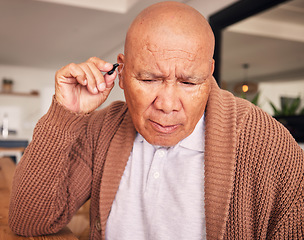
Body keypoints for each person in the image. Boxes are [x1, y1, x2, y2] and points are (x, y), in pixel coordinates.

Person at [9, 1, 304, 240]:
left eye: (189, 82)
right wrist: (66, 114)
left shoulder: (268, 143)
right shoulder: (102, 129)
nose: (166, 105)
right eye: (149, 78)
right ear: (121, 73)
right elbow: (29, 221)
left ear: (210, 72)